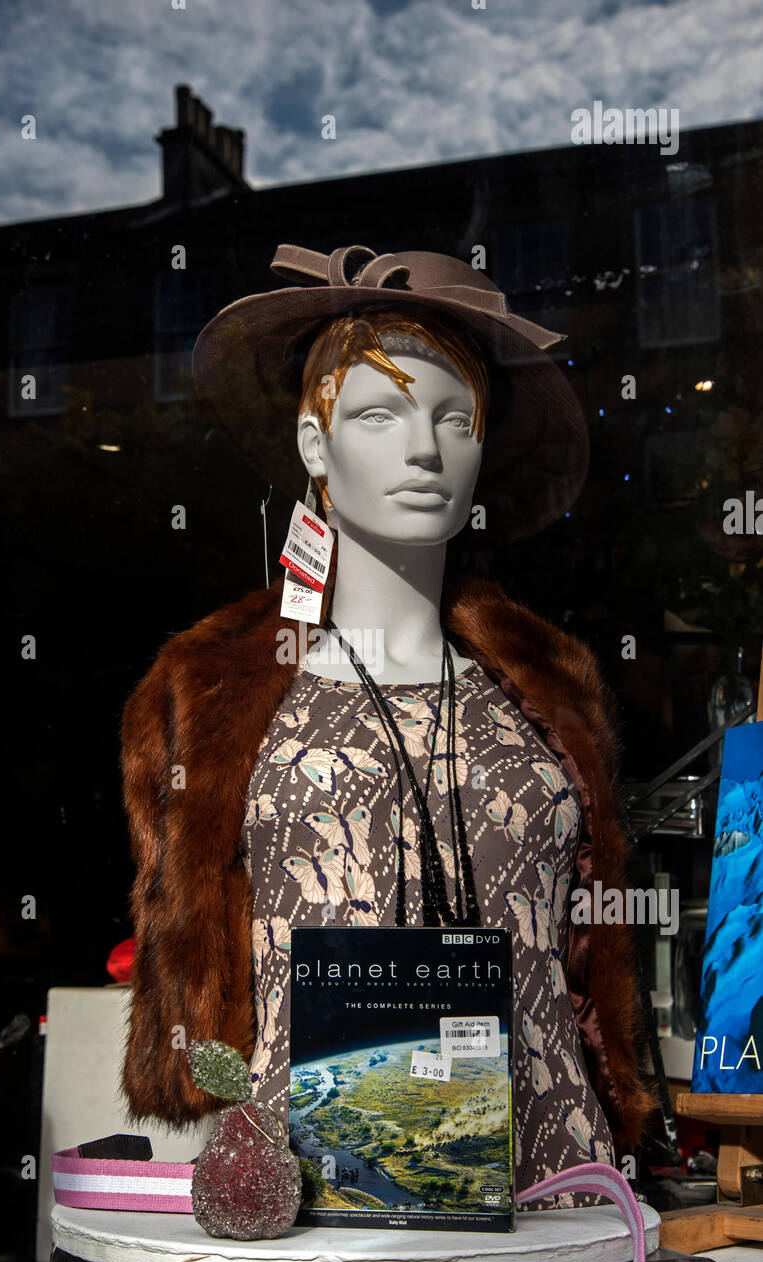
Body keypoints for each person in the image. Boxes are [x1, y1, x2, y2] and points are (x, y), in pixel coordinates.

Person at [121, 243, 656, 1205]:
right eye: (380, 413)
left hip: (551, 1178)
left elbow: (590, 952)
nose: (424, 449)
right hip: (319, 1192)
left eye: (455, 420)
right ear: (315, 448)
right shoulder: (209, 696)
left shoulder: (549, 692)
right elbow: (188, 973)